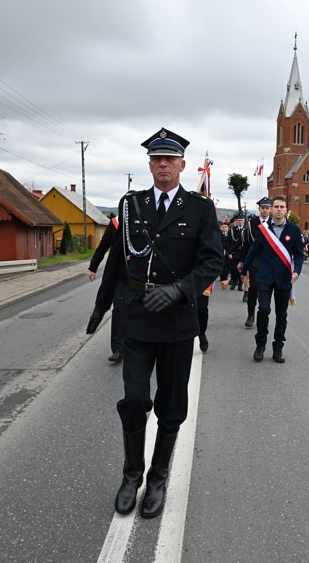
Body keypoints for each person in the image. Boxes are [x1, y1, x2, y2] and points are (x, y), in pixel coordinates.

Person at [85, 127, 223, 519]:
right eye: (156, 159)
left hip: (177, 320)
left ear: (181, 165)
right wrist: (100, 309)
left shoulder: (200, 209)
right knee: (134, 400)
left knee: (171, 403)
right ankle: (132, 475)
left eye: (170, 160)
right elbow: (118, 260)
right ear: (149, 165)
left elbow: (213, 261)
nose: (163, 165)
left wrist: (181, 290)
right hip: (138, 316)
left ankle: (158, 477)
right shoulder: (131, 204)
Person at [238, 194, 304, 363]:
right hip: (265, 275)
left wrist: (297, 271)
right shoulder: (263, 229)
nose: (279, 210)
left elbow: (298, 254)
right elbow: (253, 250)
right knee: (264, 310)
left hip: (284, 278)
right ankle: (260, 345)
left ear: (286, 210)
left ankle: (278, 347)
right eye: (276, 207)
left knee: (281, 314)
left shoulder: (294, 230)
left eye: (282, 207)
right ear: (272, 209)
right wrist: (244, 269)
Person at [87, 216, 123, 362]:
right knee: (119, 310)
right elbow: (103, 247)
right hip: (118, 274)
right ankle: (118, 349)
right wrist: (93, 267)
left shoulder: (145, 221)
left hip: (139, 273)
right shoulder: (115, 223)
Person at [239, 197, 272, 327]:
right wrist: (242, 261)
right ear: (259, 209)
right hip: (255, 260)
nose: (265, 210)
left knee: (266, 288)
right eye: (263, 208)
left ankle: (263, 313)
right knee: (254, 287)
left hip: (269, 261)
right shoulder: (252, 223)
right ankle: (251, 314)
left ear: (270, 209)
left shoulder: (274, 223)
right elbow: (247, 244)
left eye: (267, 208)